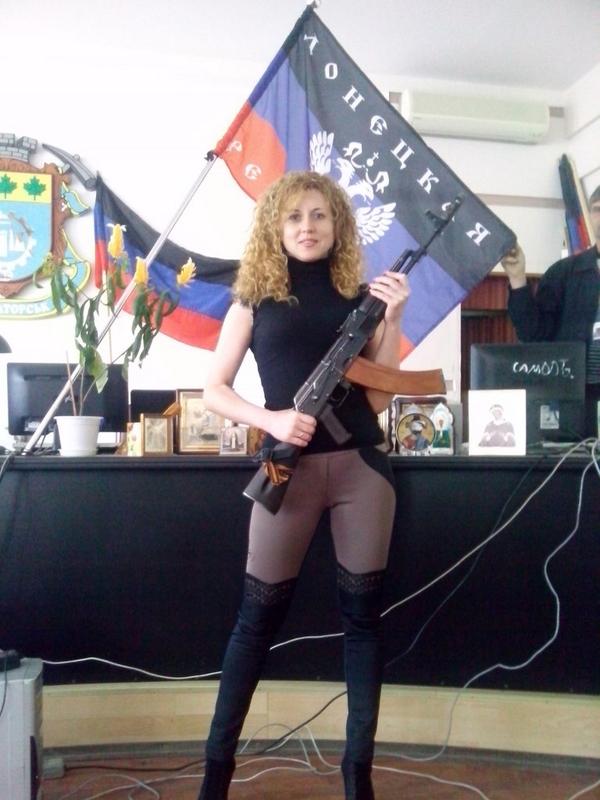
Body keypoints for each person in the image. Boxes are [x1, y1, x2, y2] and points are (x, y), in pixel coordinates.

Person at [198, 171, 410, 800]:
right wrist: (272, 420)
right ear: (275, 226)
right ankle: (214, 778)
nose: (308, 227)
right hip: (281, 468)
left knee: (363, 623)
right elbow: (214, 389)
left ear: (337, 224)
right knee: (253, 624)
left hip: (360, 469)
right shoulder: (252, 299)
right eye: (294, 217)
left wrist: (394, 316)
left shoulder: (360, 299)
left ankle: (357, 779)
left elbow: (378, 397)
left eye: (319, 215)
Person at [500, 184, 600, 438]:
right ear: (590, 215)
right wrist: (517, 278)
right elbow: (532, 334)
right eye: (598, 209)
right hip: (576, 400)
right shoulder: (564, 274)